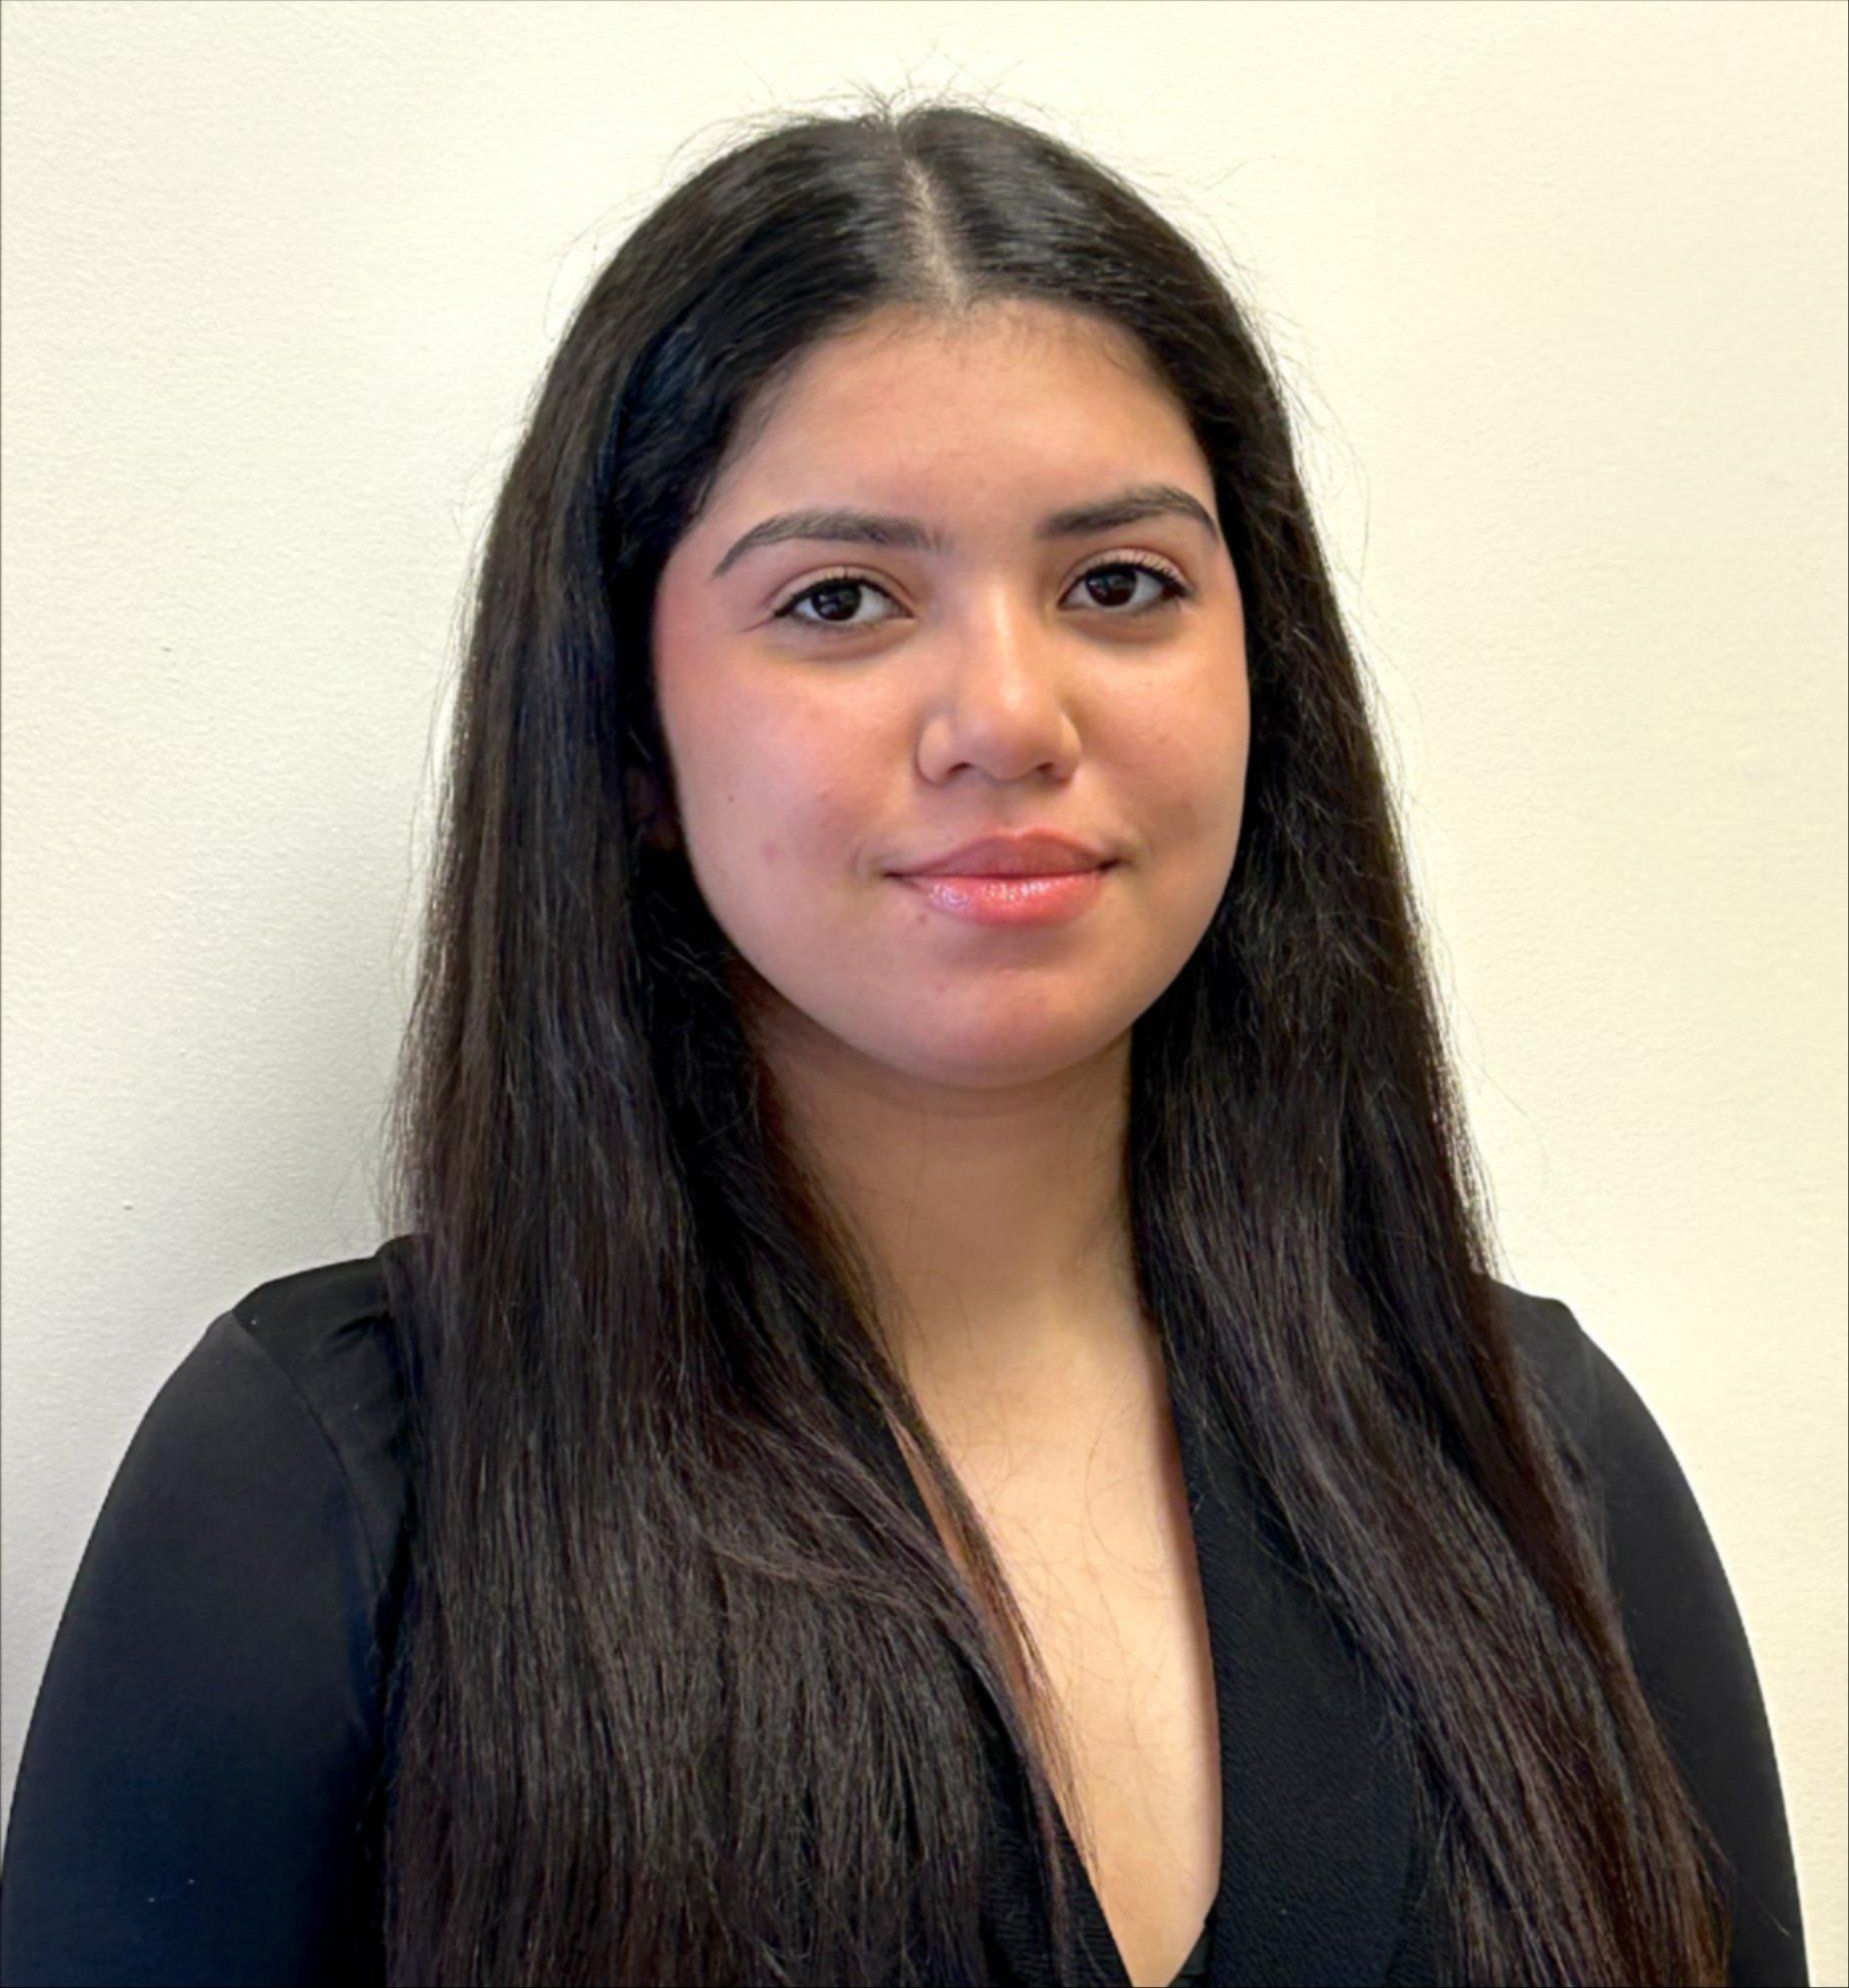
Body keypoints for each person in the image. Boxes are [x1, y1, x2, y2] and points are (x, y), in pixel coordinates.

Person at [0, 89, 1808, 1988]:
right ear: (629, 735)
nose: (1005, 716)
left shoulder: (1535, 1463)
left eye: (1119, 586)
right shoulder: (336, 1487)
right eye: (841, 600)